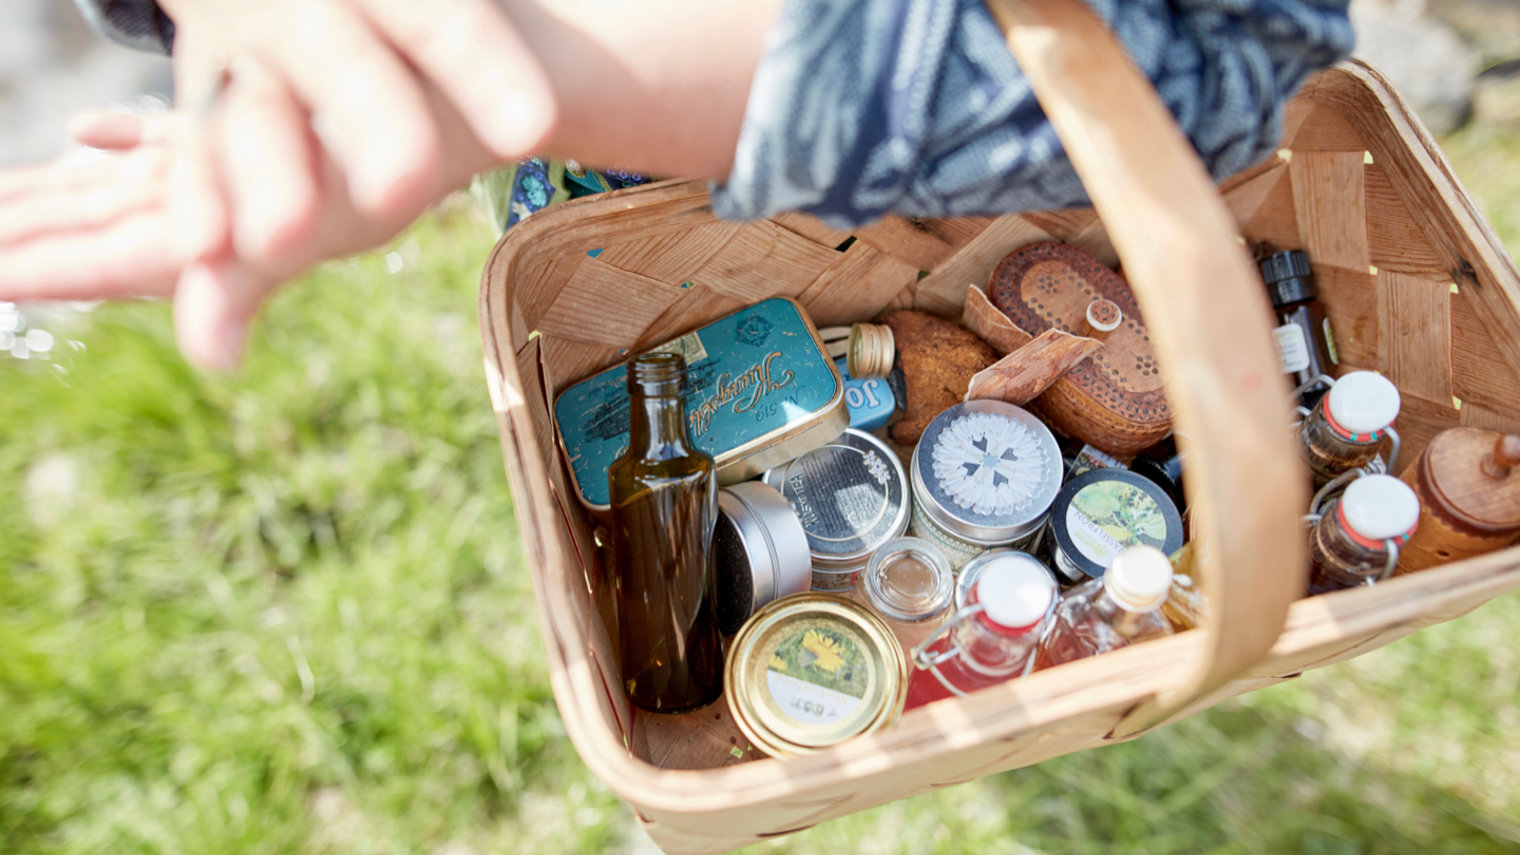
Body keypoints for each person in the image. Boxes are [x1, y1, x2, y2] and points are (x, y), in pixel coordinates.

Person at [1, 0, 1353, 370]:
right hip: (595, 197)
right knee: (613, 351)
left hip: (940, 161)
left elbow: (1221, 60)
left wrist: (550, 53)